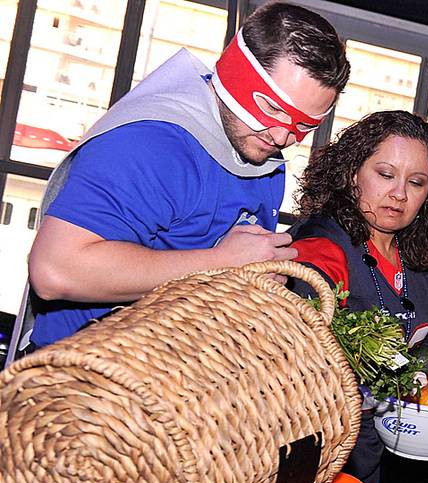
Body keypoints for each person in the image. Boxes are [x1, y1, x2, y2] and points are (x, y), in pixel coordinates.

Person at [23, 3, 349, 349]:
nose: (282, 137)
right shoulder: (152, 142)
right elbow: (56, 270)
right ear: (236, 72)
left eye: (303, 125)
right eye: (272, 108)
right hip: (81, 380)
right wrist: (220, 263)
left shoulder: (261, 152)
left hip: (170, 380)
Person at [289, 110, 428, 483]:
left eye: (416, 182)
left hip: (394, 464)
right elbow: (305, 354)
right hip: (322, 461)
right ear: (351, 174)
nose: (399, 194)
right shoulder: (321, 245)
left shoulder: (416, 260)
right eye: (385, 174)